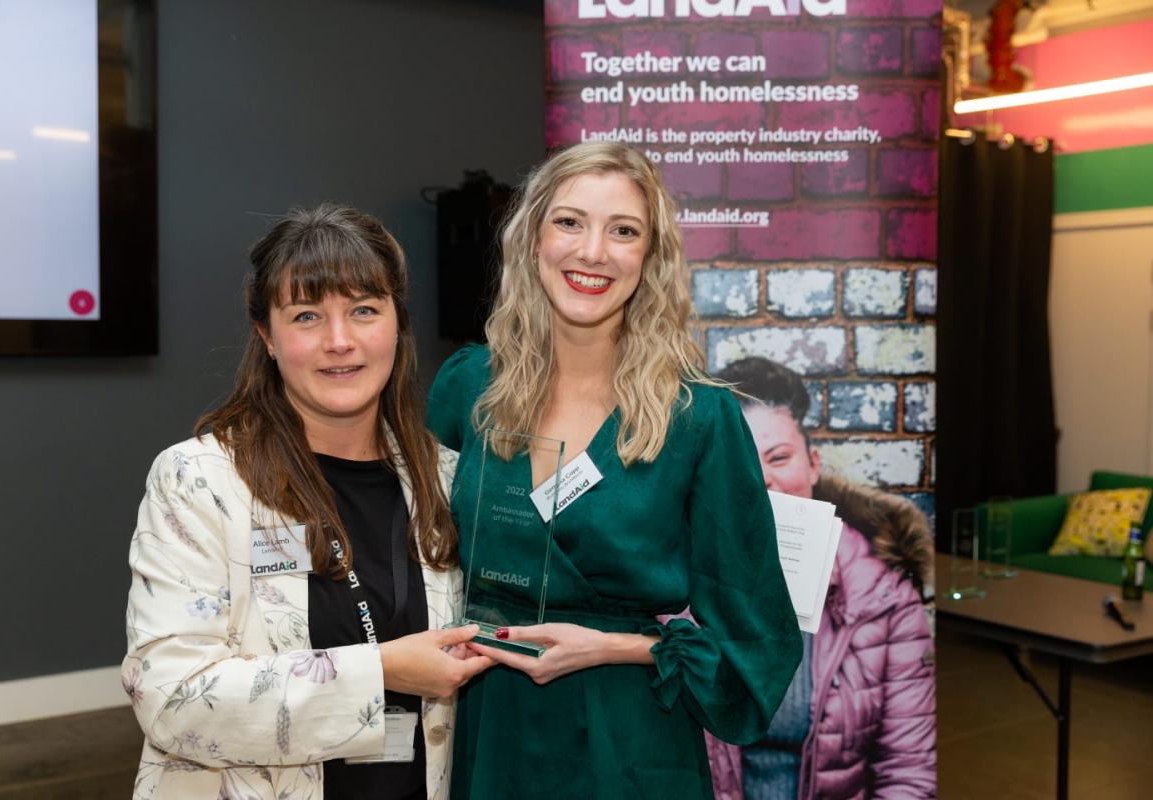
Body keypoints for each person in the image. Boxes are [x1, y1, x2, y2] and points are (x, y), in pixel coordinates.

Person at [426, 142, 802, 800]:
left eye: (623, 231)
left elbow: (758, 639)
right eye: (570, 221)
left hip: (629, 741)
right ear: (532, 235)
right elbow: (422, 567)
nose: (592, 251)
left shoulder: (699, 419)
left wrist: (616, 647)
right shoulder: (467, 388)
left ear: (650, 258)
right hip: (488, 733)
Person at [123, 205, 493, 800]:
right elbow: (170, 696)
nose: (339, 341)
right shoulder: (201, 481)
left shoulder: (445, 481)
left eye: (364, 310)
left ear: (398, 324)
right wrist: (380, 671)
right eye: (307, 316)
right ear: (267, 336)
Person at [716, 356, 936, 800]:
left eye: (779, 457)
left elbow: (909, 773)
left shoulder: (883, 599)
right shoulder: (675, 586)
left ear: (813, 465)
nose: (761, 481)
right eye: (739, 464)